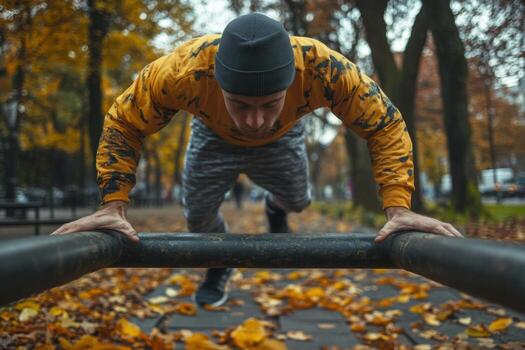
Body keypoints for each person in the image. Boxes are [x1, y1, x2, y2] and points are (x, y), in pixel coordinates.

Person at [52, 13, 463, 308]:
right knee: (196, 216)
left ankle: (275, 205)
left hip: (285, 141)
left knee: (298, 200)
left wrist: (398, 208)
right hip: (212, 138)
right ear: (216, 79)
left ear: (292, 81)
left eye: (269, 103)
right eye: (240, 104)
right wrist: (113, 205)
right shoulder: (181, 71)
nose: (254, 121)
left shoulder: (324, 69)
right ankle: (218, 264)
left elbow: (385, 124)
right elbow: (124, 122)